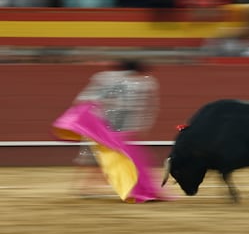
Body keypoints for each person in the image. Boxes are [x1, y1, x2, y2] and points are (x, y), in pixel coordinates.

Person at [53, 59, 165, 203]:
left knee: (98, 154)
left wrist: (88, 120)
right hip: (122, 126)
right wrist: (142, 126)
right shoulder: (145, 83)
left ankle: (86, 186)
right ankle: (90, 186)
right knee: (121, 157)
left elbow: (83, 100)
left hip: (100, 122)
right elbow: (148, 109)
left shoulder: (104, 78)